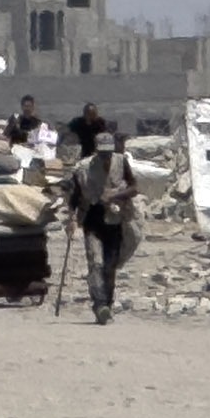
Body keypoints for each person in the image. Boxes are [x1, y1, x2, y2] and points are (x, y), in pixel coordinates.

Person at [66, 133, 139, 325]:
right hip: (92, 221)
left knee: (109, 266)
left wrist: (115, 196)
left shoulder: (121, 162)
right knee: (96, 263)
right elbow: (74, 196)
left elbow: (134, 188)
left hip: (115, 221)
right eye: (102, 154)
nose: (106, 158)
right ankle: (99, 305)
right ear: (96, 151)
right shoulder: (83, 168)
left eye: (108, 154)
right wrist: (71, 219)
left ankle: (108, 303)